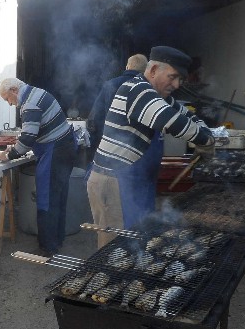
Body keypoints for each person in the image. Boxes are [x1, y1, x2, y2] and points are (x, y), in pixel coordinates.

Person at [87, 46, 216, 248]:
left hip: (120, 176)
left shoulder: (157, 95)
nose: (176, 84)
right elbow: (174, 123)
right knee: (112, 246)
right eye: (172, 77)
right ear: (154, 69)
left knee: (129, 237)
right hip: (109, 179)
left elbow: (187, 114)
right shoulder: (137, 90)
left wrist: (205, 133)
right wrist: (206, 141)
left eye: (180, 79)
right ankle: (109, 278)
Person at [0, 78, 77, 257]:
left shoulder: (29, 103)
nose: (10, 104)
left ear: (14, 90)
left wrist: (8, 155)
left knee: (46, 199)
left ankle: (47, 248)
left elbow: (27, 139)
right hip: (65, 147)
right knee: (58, 196)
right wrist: (17, 146)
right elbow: (31, 132)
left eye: (7, 99)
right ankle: (57, 240)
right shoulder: (37, 92)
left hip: (55, 151)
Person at [86, 53, 148, 164]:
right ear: (145, 70)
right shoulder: (147, 88)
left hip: (109, 143)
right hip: (136, 147)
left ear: (127, 67)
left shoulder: (110, 84)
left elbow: (96, 115)